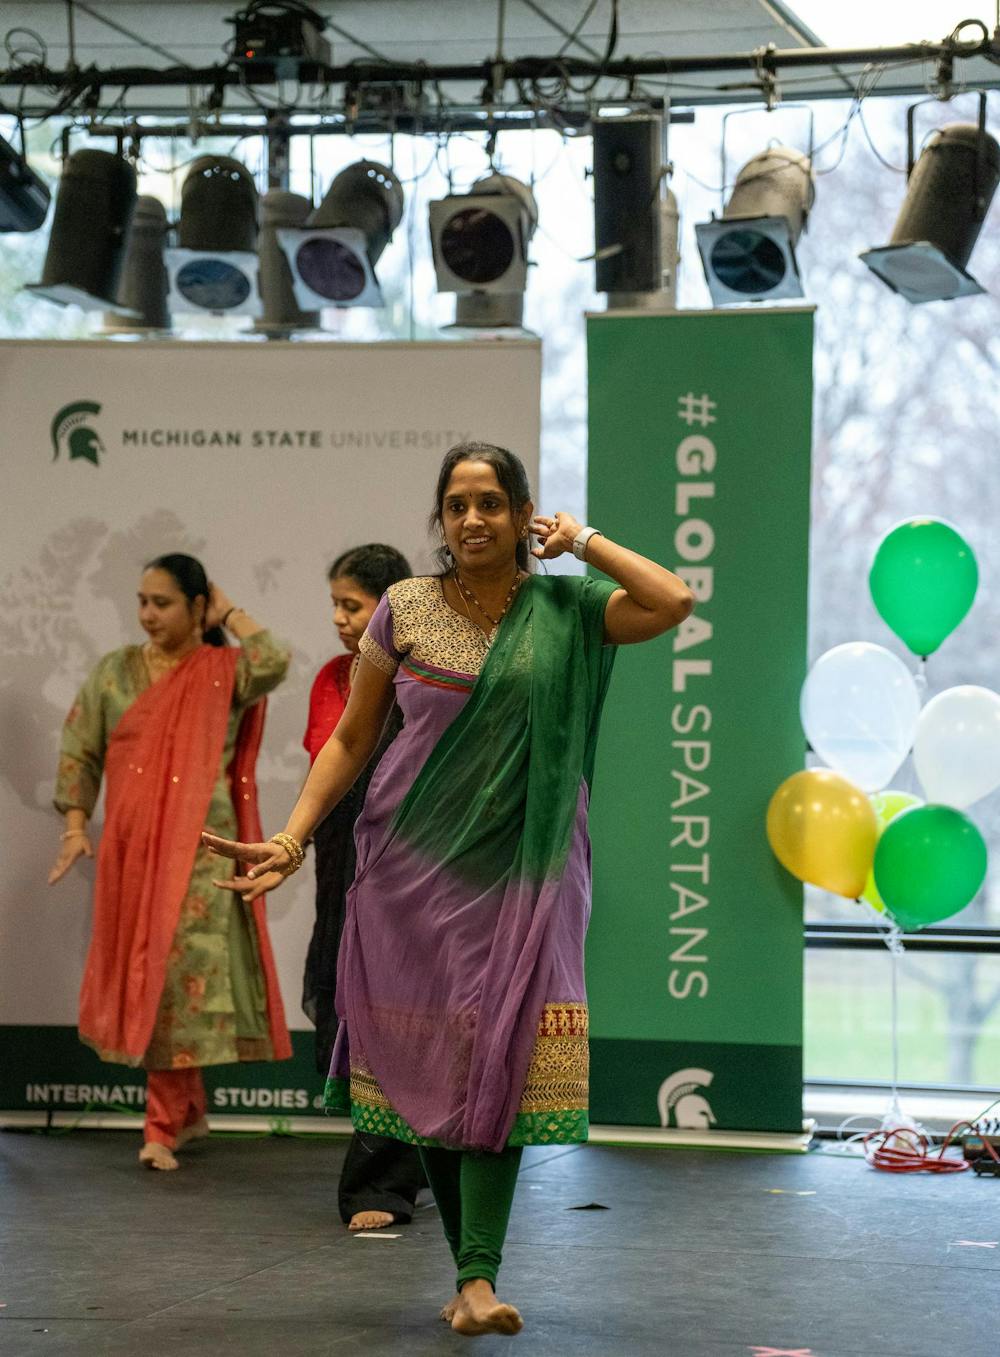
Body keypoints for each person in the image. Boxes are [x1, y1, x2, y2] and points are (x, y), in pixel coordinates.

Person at [204, 443, 693, 1336]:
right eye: (458, 504)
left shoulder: (567, 605)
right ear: (440, 518)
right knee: (427, 1069)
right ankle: (472, 1285)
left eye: (494, 504)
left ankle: (477, 1275)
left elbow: (673, 600)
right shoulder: (406, 609)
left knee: (498, 1061)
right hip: (408, 873)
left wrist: (582, 540)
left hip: (528, 878)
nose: (474, 519)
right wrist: (292, 834)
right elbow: (352, 739)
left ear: (522, 515)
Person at [49, 553, 292, 1172]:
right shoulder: (114, 673)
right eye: (142, 602)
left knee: (175, 983)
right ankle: (188, 1113)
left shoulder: (224, 671)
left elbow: (275, 658)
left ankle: (161, 1123)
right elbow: (81, 750)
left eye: (162, 603)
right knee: (155, 979)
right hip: (134, 854)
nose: (147, 614)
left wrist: (230, 609)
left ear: (195, 607)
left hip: (199, 849)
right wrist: (76, 827)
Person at [301, 544, 426, 1231]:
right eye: (335, 605)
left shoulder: (421, 676)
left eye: (351, 605)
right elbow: (333, 754)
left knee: (397, 1010)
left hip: (402, 852)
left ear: (390, 606)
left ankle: (382, 1183)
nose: (340, 620)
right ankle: (409, 1162)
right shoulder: (332, 675)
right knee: (347, 999)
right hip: (338, 855)